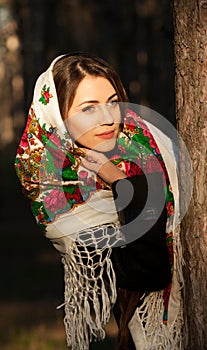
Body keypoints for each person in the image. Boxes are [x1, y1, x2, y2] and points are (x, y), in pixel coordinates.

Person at [15, 53, 184, 350]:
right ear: (58, 117)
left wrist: (122, 180)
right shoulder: (60, 187)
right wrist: (121, 183)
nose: (108, 118)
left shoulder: (147, 148)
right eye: (88, 108)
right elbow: (143, 270)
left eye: (113, 102)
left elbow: (147, 266)